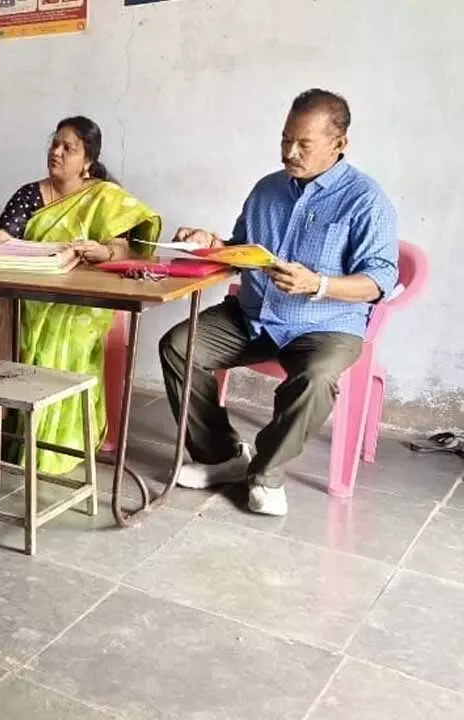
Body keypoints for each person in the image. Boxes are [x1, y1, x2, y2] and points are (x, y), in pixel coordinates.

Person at [160, 89, 398, 517]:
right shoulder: (267, 189)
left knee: (317, 376)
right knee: (179, 345)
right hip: (252, 318)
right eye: (286, 139)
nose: (290, 152)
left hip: (325, 325)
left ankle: (266, 473)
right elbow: (241, 249)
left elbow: (379, 280)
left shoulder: (366, 199)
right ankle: (222, 457)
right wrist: (209, 244)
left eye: (303, 144)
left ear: (339, 144)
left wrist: (319, 284)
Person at [0, 116, 161, 475]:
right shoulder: (30, 194)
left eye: (69, 148)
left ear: (88, 161)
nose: (56, 152)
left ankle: (59, 447)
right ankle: (21, 435)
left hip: (83, 303)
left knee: (64, 337)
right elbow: (5, 237)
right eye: (55, 144)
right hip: (33, 296)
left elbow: (125, 247)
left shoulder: (104, 197)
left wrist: (106, 252)